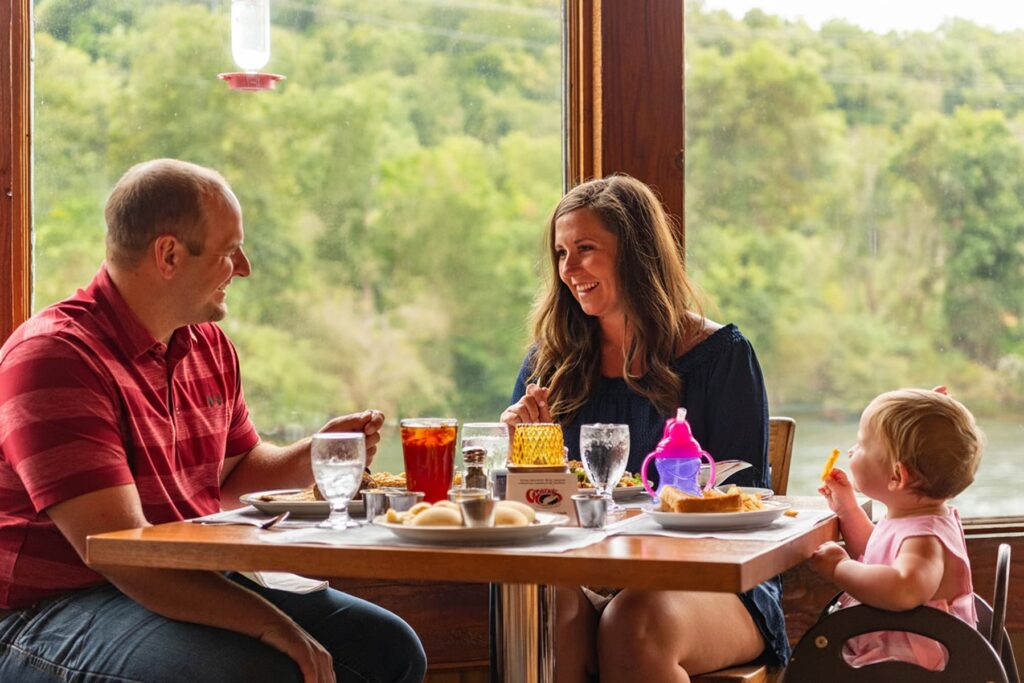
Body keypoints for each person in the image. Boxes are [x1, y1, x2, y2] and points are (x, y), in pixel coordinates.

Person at [0, 159, 427, 683]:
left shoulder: (207, 344)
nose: (243, 267)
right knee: (259, 672)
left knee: (389, 649)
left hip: (177, 577)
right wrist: (276, 626)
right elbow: (118, 553)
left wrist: (320, 450)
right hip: (48, 610)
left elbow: (235, 475)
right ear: (169, 255)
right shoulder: (55, 358)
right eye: (228, 252)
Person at [500, 174, 788, 681]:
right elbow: (532, 510)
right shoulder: (549, 364)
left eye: (586, 249)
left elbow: (746, 503)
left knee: (634, 622)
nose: (570, 270)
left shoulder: (721, 357)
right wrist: (529, 459)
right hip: (584, 568)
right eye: (562, 253)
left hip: (710, 584)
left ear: (635, 253)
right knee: (538, 609)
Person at [810, 387, 984, 670]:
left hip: (915, 670)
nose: (852, 450)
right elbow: (876, 556)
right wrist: (848, 510)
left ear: (896, 475)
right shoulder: (912, 518)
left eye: (862, 444)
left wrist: (838, 569)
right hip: (896, 660)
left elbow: (903, 589)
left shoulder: (926, 537)